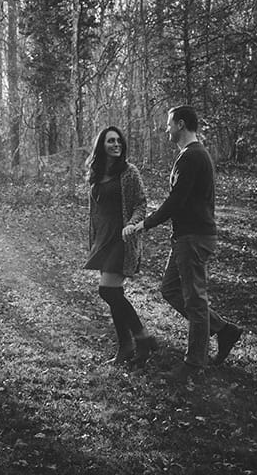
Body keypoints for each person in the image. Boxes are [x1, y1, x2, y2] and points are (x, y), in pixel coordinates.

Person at [123, 106, 243, 382]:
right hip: (186, 237)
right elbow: (181, 199)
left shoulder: (192, 156)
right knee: (170, 289)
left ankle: (193, 364)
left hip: (194, 237)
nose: (166, 129)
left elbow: (177, 200)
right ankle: (223, 330)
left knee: (195, 301)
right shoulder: (190, 155)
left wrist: (145, 224)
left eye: (169, 124)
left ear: (180, 124)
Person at [84, 126, 158, 365]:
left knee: (107, 291)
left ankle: (142, 337)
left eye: (118, 141)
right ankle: (126, 346)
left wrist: (133, 224)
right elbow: (95, 211)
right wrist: (93, 240)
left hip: (122, 239)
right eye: (110, 141)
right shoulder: (97, 174)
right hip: (103, 239)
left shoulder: (129, 172)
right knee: (114, 293)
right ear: (101, 146)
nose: (116, 144)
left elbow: (141, 203)